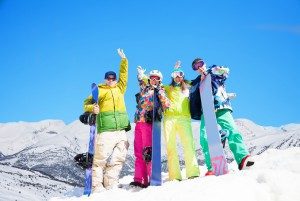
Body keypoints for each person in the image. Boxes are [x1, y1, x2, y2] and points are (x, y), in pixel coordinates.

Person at [191, 58, 254, 175]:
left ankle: (242, 158)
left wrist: (217, 70)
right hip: (206, 110)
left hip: (221, 105)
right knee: (204, 137)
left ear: (204, 63)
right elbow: (191, 92)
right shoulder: (197, 81)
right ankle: (212, 166)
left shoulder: (213, 71)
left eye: (200, 64)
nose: (199, 67)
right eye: (195, 67)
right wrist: (200, 81)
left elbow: (225, 73)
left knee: (232, 129)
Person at [83, 48, 129, 192]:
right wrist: (92, 109)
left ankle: (110, 183)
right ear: (105, 79)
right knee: (100, 159)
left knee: (119, 158)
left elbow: (124, 76)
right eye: (108, 78)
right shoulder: (100, 90)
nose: (110, 80)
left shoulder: (120, 88)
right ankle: (97, 186)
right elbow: (86, 103)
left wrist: (124, 61)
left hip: (121, 129)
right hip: (106, 131)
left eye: (112, 78)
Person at [130, 66, 170, 188]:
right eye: (152, 78)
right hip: (138, 122)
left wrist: (160, 93)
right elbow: (141, 81)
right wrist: (141, 75)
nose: (153, 80)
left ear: (160, 80)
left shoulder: (160, 91)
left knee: (148, 152)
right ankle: (139, 179)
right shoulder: (145, 88)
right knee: (138, 152)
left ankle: (152, 177)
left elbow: (167, 104)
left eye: (156, 79)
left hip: (149, 123)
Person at [162, 61, 200, 181]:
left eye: (181, 75)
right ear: (173, 77)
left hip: (184, 118)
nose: (179, 78)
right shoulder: (168, 88)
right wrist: (142, 77)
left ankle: (192, 172)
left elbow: (196, 82)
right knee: (170, 145)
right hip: (170, 118)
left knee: (188, 144)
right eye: (176, 76)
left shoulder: (187, 87)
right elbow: (156, 85)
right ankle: (174, 176)